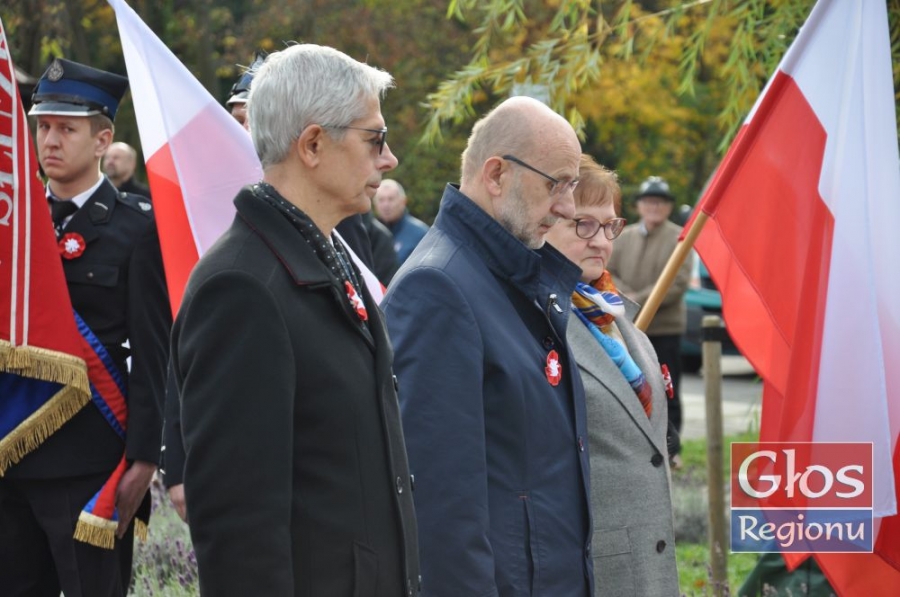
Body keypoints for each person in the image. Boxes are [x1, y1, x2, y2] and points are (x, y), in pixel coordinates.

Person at [169, 44, 420, 596]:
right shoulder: (242, 288)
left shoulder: (325, 256)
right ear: (312, 144)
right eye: (374, 138)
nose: (389, 159)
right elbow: (239, 531)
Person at [383, 96, 592, 596]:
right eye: (555, 184)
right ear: (497, 175)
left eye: (573, 186)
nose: (567, 206)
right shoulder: (438, 287)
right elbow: (439, 510)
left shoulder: (507, 274)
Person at [0, 58, 171, 596]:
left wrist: (145, 459)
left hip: (92, 464)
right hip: (12, 456)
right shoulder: (13, 226)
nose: (49, 140)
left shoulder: (137, 230)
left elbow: (153, 352)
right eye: (43, 126)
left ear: (102, 141)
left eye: (66, 129)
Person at [544, 155, 679, 597]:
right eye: (583, 224)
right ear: (544, 223)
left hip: (650, 565)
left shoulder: (615, 318)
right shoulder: (537, 323)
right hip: (592, 571)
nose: (600, 240)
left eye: (609, 226)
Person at [606, 176, 692, 455]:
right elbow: (608, 273)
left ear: (668, 207)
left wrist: (634, 300)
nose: (654, 207)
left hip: (664, 329)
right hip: (628, 328)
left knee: (668, 389)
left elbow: (677, 283)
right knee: (632, 386)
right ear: (639, 205)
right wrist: (631, 298)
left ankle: (672, 448)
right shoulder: (623, 235)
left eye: (660, 202)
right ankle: (640, 445)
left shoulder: (680, 237)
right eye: (649, 201)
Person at [374, 179, 429, 264]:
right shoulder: (368, 234)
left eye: (391, 199)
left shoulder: (421, 234)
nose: (386, 205)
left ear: (403, 201)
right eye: (381, 200)